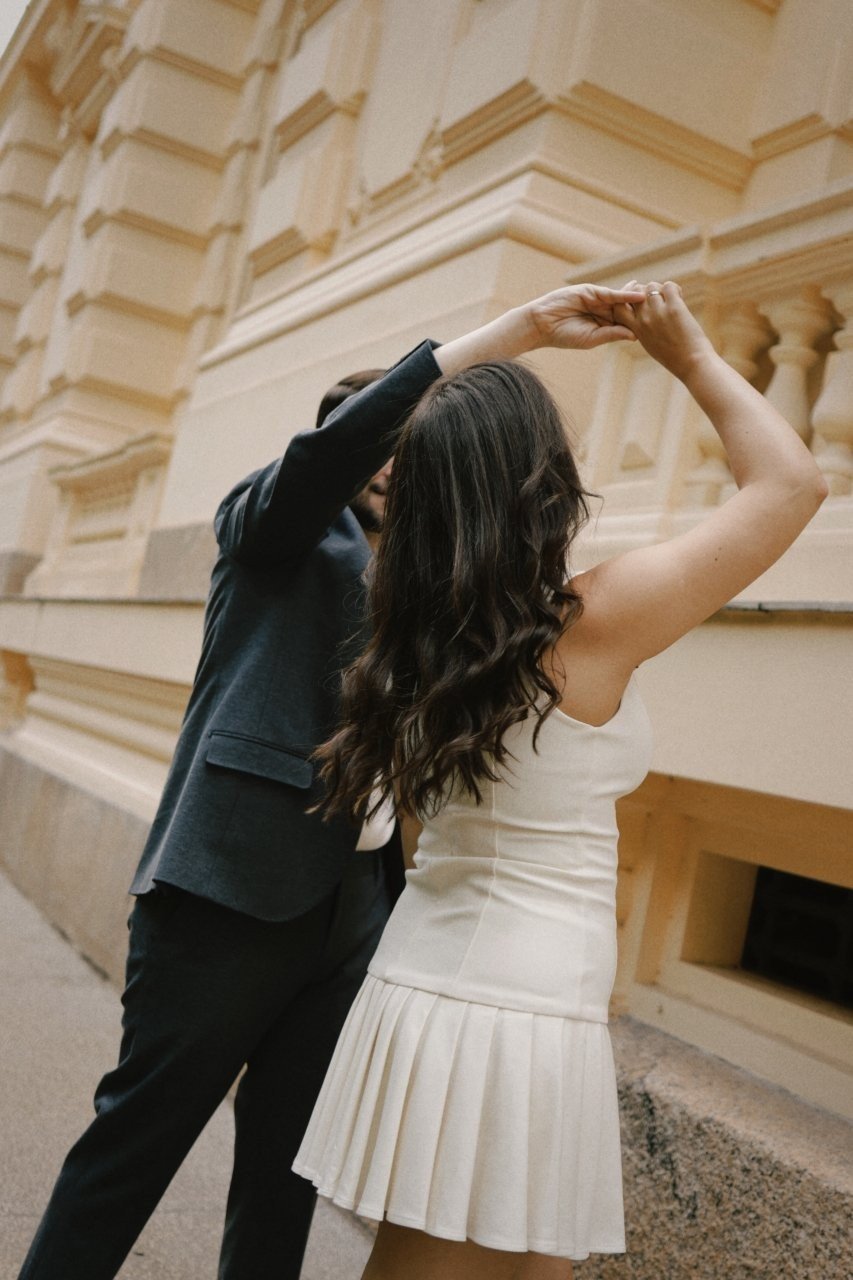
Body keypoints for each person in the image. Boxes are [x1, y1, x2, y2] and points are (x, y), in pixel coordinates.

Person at [17, 282, 646, 1280]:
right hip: (228, 891)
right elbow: (319, 466)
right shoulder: (275, 535)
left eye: (412, 448)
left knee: (285, 1176)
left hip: (360, 909)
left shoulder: (441, 577)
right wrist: (509, 336)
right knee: (134, 1146)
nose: (395, 464)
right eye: (382, 443)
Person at [292, 280, 828, 1280]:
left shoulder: (413, 631)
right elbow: (790, 485)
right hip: (507, 1009)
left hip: (468, 984)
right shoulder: (589, 621)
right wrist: (688, 356)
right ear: (543, 482)